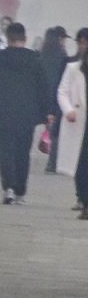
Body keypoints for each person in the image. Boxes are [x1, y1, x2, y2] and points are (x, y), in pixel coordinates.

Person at [0, 21, 49, 204]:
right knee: (22, 153)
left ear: (8, 38)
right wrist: (46, 113)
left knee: (5, 151)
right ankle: (20, 191)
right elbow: (43, 88)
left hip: (2, 114)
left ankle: (8, 187)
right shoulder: (35, 60)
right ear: (24, 39)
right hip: (27, 114)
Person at [56, 27, 88, 218]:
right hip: (79, 122)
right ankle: (84, 201)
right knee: (81, 164)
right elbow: (62, 92)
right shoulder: (72, 69)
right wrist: (68, 110)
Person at [40, 27, 70, 173]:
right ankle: (53, 161)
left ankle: (52, 160)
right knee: (56, 131)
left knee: (51, 129)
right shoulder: (61, 55)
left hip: (46, 95)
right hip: (58, 96)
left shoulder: (43, 55)